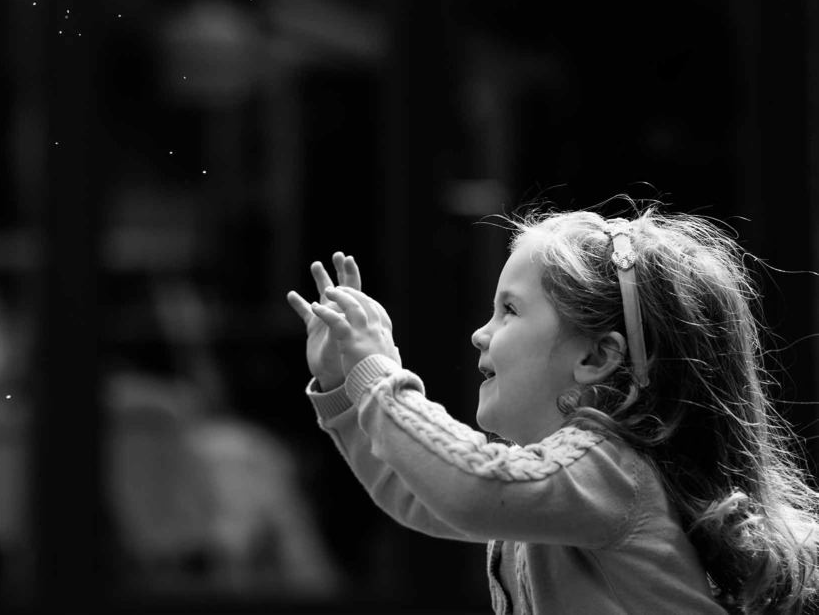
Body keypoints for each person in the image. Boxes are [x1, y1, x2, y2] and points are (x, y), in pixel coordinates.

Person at [287, 202, 819, 614]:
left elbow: (468, 487)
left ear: (595, 356)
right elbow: (419, 485)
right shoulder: (556, 475)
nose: (479, 333)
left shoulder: (609, 467)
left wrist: (376, 374)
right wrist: (344, 381)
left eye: (509, 311)